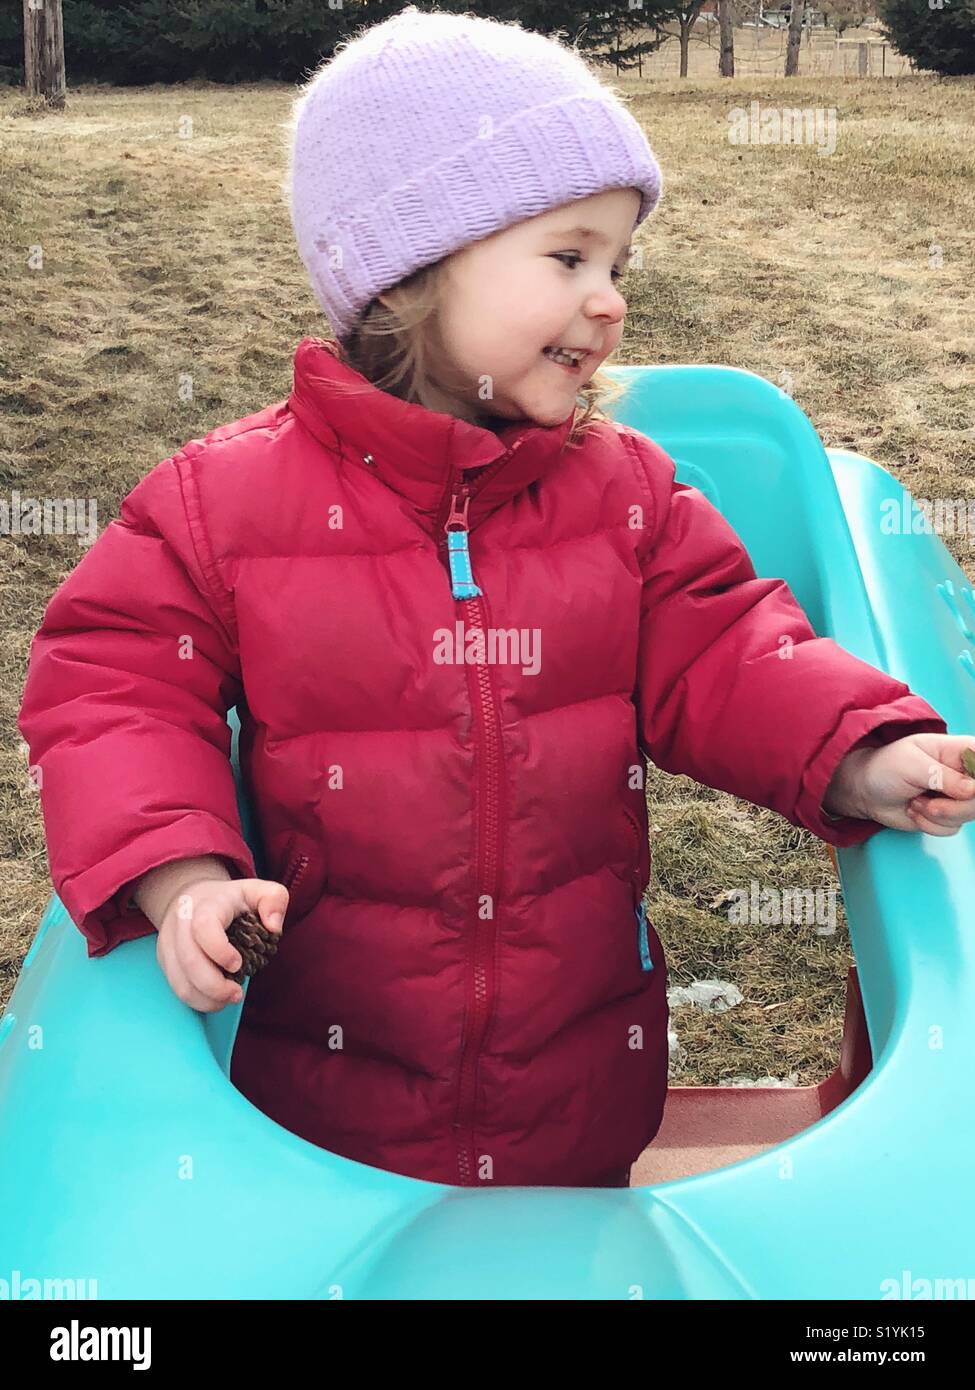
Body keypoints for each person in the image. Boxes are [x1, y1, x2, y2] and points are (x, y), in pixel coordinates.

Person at [16, 7, 975, 1191]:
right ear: (412, 270)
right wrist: (182, 876)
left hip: (570, 1079)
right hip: (322, 1095)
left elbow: (725, 648)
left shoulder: (624, 492)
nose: (612, 297)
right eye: (569, 258)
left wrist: (853, 746)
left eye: (619, 264)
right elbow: (112, 690)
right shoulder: (224, 505)